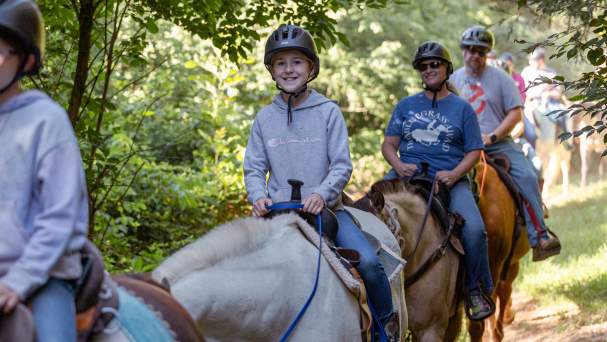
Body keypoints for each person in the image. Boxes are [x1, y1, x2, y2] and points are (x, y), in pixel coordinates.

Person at [243, 24, 398, 339]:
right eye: (281, 63)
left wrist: (322, 194)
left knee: (368, 263)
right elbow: (254, 168)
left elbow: (342, 165)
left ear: (311, 67)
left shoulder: (328, 111)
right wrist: (258, 195)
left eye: (297, 62)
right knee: (238, 271)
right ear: (271, 69)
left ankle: (386, 329)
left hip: (325, 212)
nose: (289, 69)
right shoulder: (264, 118)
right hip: (277, 215)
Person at [382, 41, 494, 321]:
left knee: (475, 230)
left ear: (446, 68)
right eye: (424, 66)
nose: (429, 69)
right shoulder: (406, 105)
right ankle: (369, 291)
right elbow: (388, 145)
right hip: (405, 175)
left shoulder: (462, 109)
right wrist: (398, 164)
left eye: (435, 64)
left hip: (449, 180)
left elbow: (474, 151)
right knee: (366, 215)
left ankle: (476, 289)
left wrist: (455, 174)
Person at [0, 0, 89, 341]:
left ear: (27, 60)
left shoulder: (45, 119)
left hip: (44, 270)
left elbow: (60, 216)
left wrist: (17, 281)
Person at [451, 25, 561, 262]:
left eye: (480, 51)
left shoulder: (502, 79)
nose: (475, 55)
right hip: (461, 146)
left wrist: (492, 136)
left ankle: (539, 236)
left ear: (487, 52)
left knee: (527, 175)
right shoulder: (453, 80)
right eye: (470, 50)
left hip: (497, 143)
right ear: (463, 51)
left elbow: (515, 114)